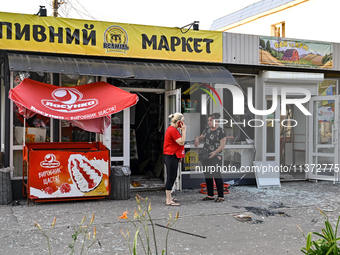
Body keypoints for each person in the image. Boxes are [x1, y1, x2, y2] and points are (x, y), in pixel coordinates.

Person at [194, 113, 226, 202]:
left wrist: (215, 152)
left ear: (216, 121)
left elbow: (222, 145)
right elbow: (201, 137)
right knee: (207, 175)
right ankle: (210, 195)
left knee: (216, 175)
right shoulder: (207, 130)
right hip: (206, 155)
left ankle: (220, 196)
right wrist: (197, 139)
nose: (209, 122)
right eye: (208, 120)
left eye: (211, 120)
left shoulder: (221, 131)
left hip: (216, 156)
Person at [163, 113, 186, 206]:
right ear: (179, 122)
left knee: (172, 176)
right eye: (183, 122)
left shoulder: (172, 129)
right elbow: (181, 142)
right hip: (170, 156)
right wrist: (184, 131)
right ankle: (168, 199)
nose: (184, 124)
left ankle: (169, 197)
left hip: (172, 155)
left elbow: (176, 145)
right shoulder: (173, 130)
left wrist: (179, 156)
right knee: (171, 177)